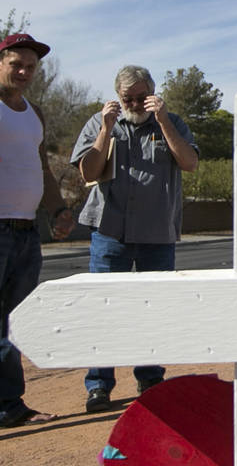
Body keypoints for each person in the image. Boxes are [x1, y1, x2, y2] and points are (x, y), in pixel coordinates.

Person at [71, 65, 198, 413]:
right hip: (111, 232)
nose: (136, 103)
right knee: (104, 310)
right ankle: (99, 385)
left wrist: (164, 122)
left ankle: (150, 378)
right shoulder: (101, 123)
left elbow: (189, 163)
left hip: (158, 233)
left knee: (153, 310)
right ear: (117, 97)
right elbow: (88, 171)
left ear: (153, 94)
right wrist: (106, 130)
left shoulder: (171, 122)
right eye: (128, 98)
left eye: (142, 97)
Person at [0, 33, 75, 428]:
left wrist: (58, 208)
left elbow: (41, 168)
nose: (25, 72)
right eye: (17, 65)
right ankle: (9, 405)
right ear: (2, 62)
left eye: (31, 66)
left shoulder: (35, 114)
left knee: (16, 321)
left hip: (27, 231)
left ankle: (10, 404)